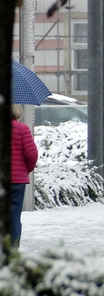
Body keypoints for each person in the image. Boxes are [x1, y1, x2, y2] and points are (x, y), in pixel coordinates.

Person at [9, 104, 39, 249]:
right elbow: (31, 154)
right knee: (14, 216)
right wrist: (27, 169)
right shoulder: (22, 129)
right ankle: (13, 249)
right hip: (17, 181)